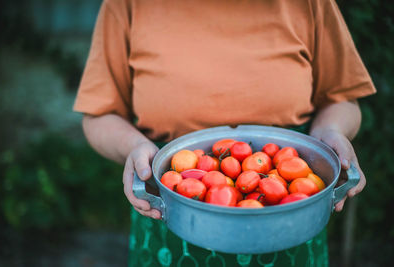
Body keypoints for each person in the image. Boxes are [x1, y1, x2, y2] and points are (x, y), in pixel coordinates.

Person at [73, 0, 376, 266]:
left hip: (289, 219)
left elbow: (341, 98)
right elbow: (99, 115)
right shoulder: (127, 4)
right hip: (172, 208)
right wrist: (134, 146)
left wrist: (330, 130)